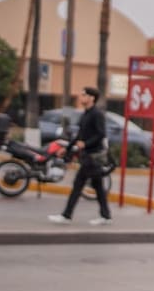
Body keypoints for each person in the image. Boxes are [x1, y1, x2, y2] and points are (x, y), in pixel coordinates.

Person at [47, 87, 112, 226]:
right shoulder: (86, 114)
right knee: (98, 187)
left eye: (84, 95)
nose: (81, 97)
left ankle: (66, 215)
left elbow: (101, 134)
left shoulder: (97, 114)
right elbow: (79, 135)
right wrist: (67, 148)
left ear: (92, 98)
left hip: (93, 156)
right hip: (88, 155)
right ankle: (106, 215)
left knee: (78, 185)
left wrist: (86, 144)